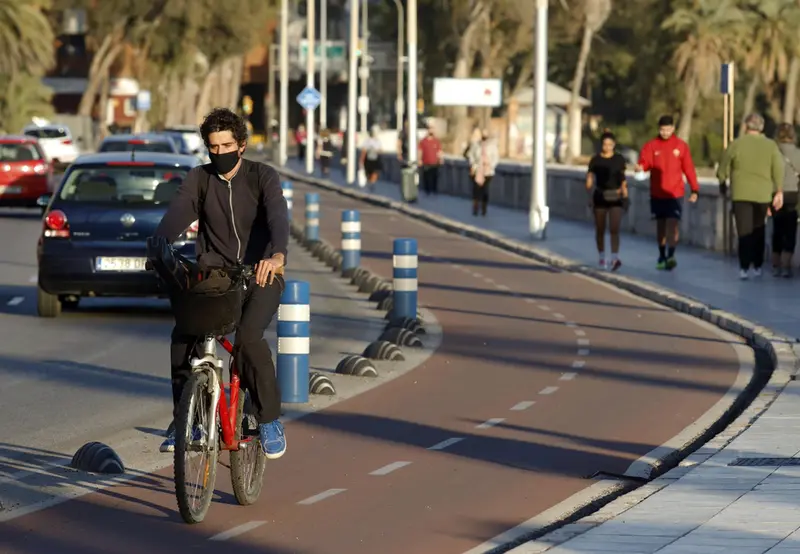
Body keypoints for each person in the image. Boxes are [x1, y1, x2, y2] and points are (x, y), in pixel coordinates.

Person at [152, 107, 289, 459]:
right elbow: (176, 216)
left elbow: (277, 217)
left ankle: (269, 419)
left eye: (226, 145)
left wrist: (276, 256)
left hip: (261, 273)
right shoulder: (199, 179)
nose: (219, 153)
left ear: (241, 145)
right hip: (217, 277)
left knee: (248, 338)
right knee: (184, 335)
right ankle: (186, 421)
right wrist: (158, 245)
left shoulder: (262, 177)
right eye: (212, 147)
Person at [716, 113, 784, 280]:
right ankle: (758, 265)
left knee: (743, 230)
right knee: (759, 229)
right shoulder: (771, 145)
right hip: (763, 194)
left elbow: (723, 166)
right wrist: (778, 190)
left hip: (741, 193)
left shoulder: (736, 144)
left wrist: (723, 181)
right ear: (762, 127)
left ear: (746, 126)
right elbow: (778, 168)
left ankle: (744, 267)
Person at [636, 115, 700, 270]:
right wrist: (640, 167)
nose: (665, 132)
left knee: (673, 224)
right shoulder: (651, 146)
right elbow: (645, 163)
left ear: (673, 128)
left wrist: (694, 189)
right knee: (661, 225)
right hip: (658, 193)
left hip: (675, 193)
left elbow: (688, 168)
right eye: (662, 130)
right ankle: (661, 254)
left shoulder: (681, 146)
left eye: (668, 129)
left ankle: (671, 254)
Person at [586, 131, 628, 271]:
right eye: (605, 144)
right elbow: (590, 177)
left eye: (610, 144)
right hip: (600, 196)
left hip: (616, 196)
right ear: (601, 145)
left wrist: (625, 196)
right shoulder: (595, 160)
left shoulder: (619, 159)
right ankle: (602, 256)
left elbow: (623, 179)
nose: (608, 147)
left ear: (614, 145)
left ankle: (615, 257)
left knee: (614, 228)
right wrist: (589, 192)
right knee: (600, 228)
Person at [772, 123, 800, 277]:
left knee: (777, 229)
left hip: (775, 193)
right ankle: (786, 266)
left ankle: (775, 265)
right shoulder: (797, 153)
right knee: (790, 231)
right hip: (791, 194)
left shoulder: (773, 152)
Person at [467, 129, 499, 216]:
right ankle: (475, 207)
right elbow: (470, 155)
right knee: (476, 190)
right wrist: (473, 164)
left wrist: (490, 165)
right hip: (477, 170)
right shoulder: (476, 145)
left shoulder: (492, 146)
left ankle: (484, 208)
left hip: (488, 171)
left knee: (485, 190)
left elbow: (496, 158)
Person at [418, 124, 443, 195]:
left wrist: (440, 159)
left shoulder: (436, 141)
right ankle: (427, 191)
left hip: (434, 162)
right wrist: (419, 159)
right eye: (430, 129)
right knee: (426, 177)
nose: (432, 131)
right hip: (426, 162)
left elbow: (439, 151)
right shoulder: (423, 141)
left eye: (433, 129)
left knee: (434, 177)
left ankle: (434, 191)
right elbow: (420, 151)